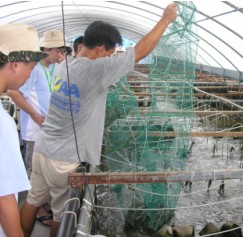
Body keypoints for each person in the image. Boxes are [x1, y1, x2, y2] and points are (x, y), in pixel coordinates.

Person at [20, 3, 178, 237]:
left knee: (32, 200)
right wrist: (165, 20)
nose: (111, 59)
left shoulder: (65, 64)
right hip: (63, 160)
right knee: (60, 215)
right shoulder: (96, 70)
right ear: (101, 48)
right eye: (110, 54)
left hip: (43, 149)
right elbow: (141, 51)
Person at [7, 29, 71, 227]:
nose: (60, 56)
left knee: (45, 168)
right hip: (35, 129)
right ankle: (38, 208)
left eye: (63, 52)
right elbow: (15, 93)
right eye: (57, 51)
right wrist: (35, 115)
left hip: (48, 127)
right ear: (45, 49)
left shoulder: (52, 68)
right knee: (34, 168)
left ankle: (41, 203)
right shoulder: (33, 70)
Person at [0, 22, 46, 237]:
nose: (30, 74)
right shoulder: (3, 123)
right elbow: (4, 198)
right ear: (16, 64)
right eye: (31, 67)